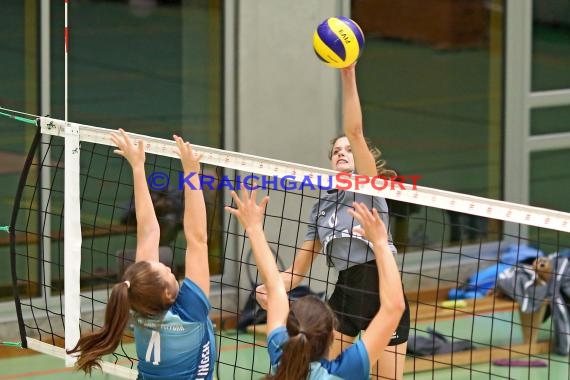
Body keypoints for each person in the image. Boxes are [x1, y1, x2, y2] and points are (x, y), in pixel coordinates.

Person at [256, 64, 410, 379]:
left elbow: (354, 130)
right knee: (322, 371)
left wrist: (349, 75)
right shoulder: (321, 209)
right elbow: (296, 273)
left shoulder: (369, 187)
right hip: (345, 294)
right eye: (336, 151)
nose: (342, 153)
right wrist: (271, 288)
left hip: (381, 290)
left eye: (348, 150)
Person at [67, 129, 215, 380]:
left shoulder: (142, 302)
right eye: (167, 271)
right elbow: (196, 239)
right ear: (168, 293)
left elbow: (148, 232)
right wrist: (191, 174)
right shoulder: (186, 311)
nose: (170, 269)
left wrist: (138, 167)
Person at [226, 189, 405, 379]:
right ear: (332, 337)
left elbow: (276, 288)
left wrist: (253, 228)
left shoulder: (282, 354)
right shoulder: (344, 371)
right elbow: (394, 307)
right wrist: (381, 243)